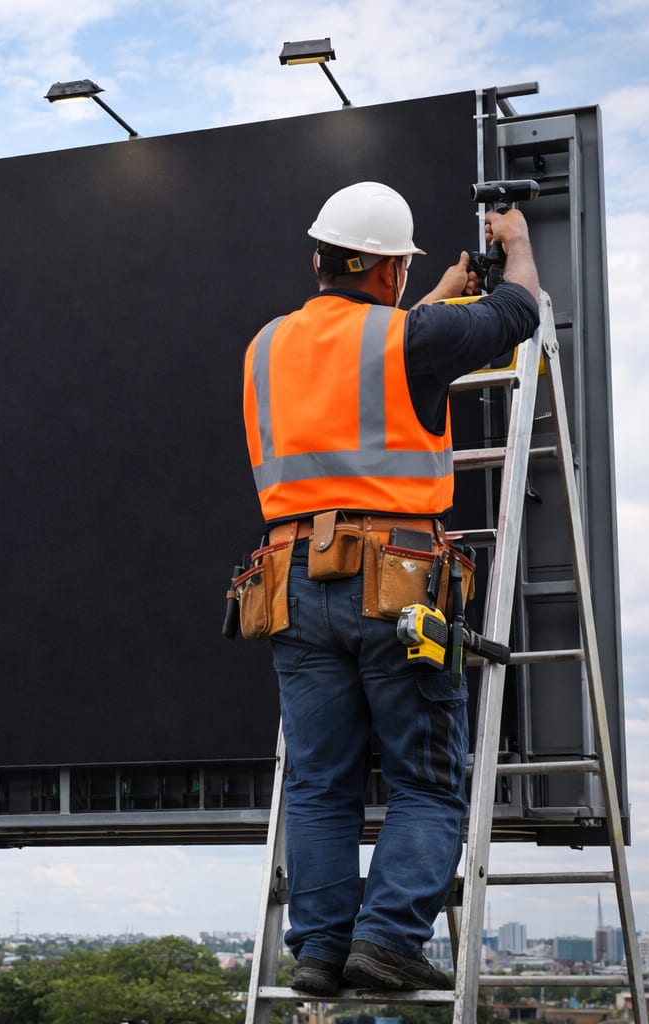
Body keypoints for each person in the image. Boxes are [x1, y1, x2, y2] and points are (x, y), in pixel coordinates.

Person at [239, 181, 540, 994]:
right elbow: (518, 312)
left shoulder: (266, 345)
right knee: (427, 779)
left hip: (291, 581)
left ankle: (319, 950)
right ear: (389, 270)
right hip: (396, 581)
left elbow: (364, 365)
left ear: (319, 257)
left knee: (318, 784)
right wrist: (514, 243)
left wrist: (433, 297)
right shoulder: (413, 336)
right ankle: (387, 939)